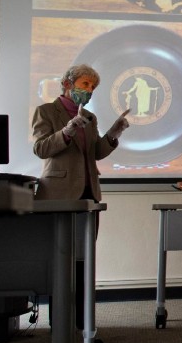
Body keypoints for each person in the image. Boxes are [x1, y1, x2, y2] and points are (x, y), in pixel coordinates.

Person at [31, 63, 130, 327]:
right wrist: (66, 131)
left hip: (89, 195)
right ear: (67, 83)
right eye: (85, 85)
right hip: (59, 194)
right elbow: (40, 148)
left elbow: (96, 152)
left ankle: (82, 321)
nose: (89, 91)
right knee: (60, 259)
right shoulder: (46, 111)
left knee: (84, 259)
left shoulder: (90, 117)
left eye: (93, 87)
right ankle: (60, 323)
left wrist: (114, 134)